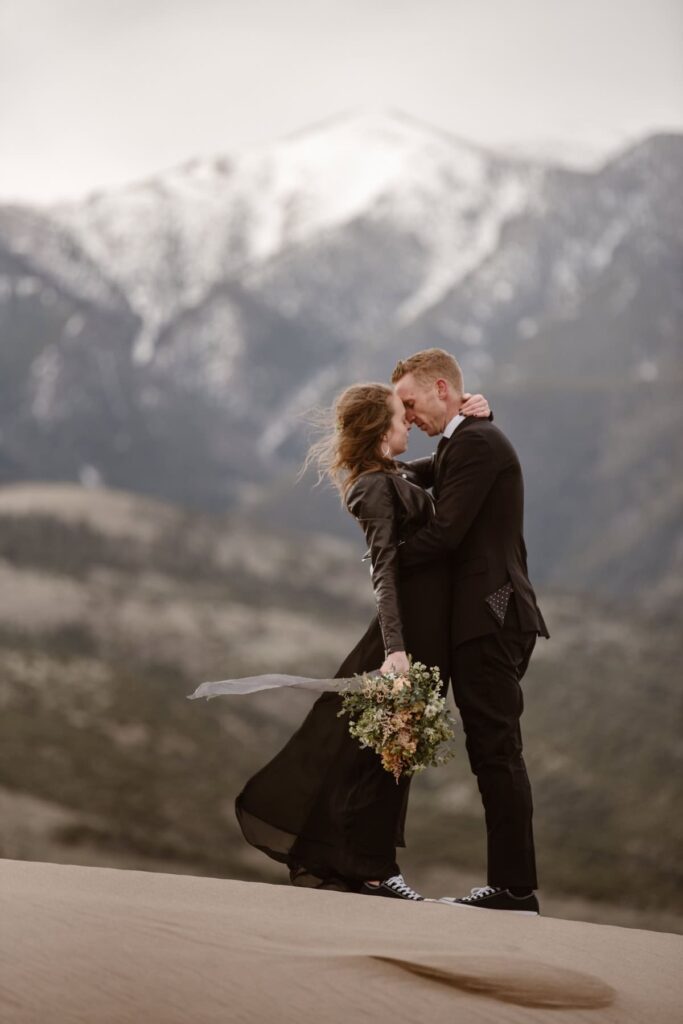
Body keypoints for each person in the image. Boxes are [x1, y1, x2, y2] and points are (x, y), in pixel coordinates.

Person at [233, 381, 491, 900]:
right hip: (407, 637)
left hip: (423, 633)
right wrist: (396, 650)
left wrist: (475, 419)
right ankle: (373, 870)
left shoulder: (389, 475)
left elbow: (445, 468)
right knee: (384, 754)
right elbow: (385, 571)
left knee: (393, 752)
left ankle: (367, 866)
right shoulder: (374, 488)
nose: (408, 424)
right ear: (380, 433)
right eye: (401, 416)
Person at [392, 348, 549, 915]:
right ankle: (511, 886)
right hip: (487, 617)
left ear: (442, 389)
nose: (408, 416)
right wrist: (376, 458)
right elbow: (416, 473)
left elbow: (448, 533)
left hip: (494, 613)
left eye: (409, 404)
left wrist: (387, 560)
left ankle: (513, 889)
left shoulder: (477, 442)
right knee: (492, 749)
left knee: (497, 750)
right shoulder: (464, 441)